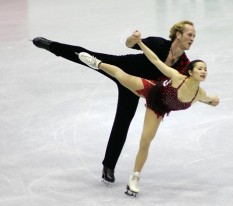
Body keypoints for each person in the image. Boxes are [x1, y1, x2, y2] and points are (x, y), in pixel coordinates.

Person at [32, 20, 196, 184]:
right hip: (124, 67)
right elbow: (130, 44)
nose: (192, 38)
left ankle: (108, 167)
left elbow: (182, 86)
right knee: (89, 56)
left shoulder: (184, 64)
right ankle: (51, 46)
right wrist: (133, 38)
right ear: (178, 35)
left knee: (122, 123)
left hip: (134, 88)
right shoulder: (158, 43)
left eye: (194, 36)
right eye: (189, 34)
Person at [76, 32, 220, 195]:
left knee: (145, 141)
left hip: (158, 109)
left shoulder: (199, 94)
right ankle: (97, 63)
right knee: (121, 75)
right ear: (190, 72)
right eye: (200, 68)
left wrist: (213, 101)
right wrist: (142, 44)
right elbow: (155, 60)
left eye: (206, 69)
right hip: (151, 89)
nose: (204, 71)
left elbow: (208, 99)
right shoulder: (178, 77)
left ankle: (133, 179)